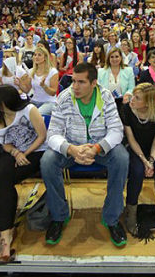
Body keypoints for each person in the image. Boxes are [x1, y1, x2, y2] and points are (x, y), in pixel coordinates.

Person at [41, 62, 128, 247]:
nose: (75, 87)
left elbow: (116, 131)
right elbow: (53, 133)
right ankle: (59, 216)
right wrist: (71, 149)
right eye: (73, 81)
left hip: (98, 148)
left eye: (81, 82)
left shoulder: (106, 97)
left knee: (121, 157)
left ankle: (111, 218)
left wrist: (96, 148)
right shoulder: (64, 98)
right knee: (47, 161)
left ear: (94, 83)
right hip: (72, 149)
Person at [0, 85, 47, 263]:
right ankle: (5, 233)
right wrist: (16, 153)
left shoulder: (29, 110)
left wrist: (25, 153)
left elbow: (42, 136)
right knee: (0, 174)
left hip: (36, 151)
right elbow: (5, 144)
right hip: (14, 152)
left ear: (4, 102)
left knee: (3, 178)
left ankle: (4, 235)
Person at [122, 83, 155, 237]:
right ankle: (131, 211)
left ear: (147, 102)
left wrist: (151, 160)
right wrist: (144, 161)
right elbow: (131, 140)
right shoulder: (126, 110)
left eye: (137, 98)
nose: (132, 100)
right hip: (135, 147)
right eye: (133, 95)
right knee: (137, 172)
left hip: (154, 147)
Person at [19, 46, 59, 116]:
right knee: (22, 113)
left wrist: (44, 86)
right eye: (35, 55)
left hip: (49, 102)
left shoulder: (53, 72)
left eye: (39, 55)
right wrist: (20, 83)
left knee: (36, 115)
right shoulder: (31, 71)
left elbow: (53, 93)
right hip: (35, 101)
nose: (36, 57)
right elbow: (27, 90)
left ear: (45, 58)